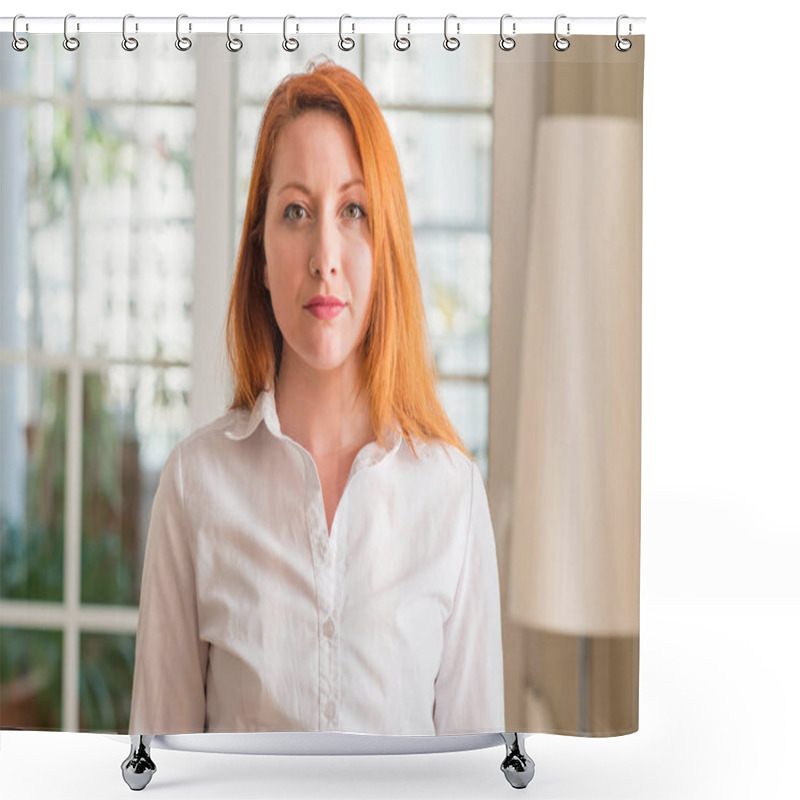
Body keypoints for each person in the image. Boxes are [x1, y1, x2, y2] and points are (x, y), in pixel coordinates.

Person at [129, 59, 504, 736]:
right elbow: (157, 766)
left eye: (353, 210)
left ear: (383, 246)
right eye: (296, 212)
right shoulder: (193, 487)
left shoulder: (453, 498)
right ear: (261, 255)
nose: (324, 254)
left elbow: (476, 776)